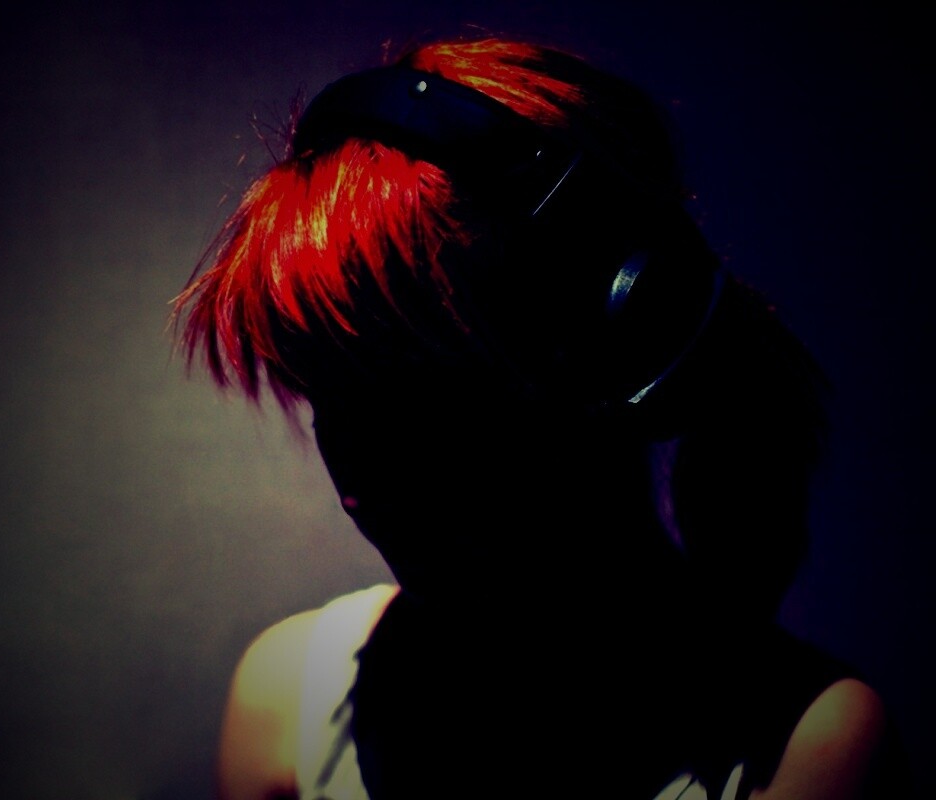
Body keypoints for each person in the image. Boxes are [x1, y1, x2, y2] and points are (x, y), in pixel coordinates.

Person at [171, 35, 909, 800]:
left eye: (416, 396)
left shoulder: (809, 752)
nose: (355, 475)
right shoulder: (287, 702)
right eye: (328, 397)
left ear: (626, 338)